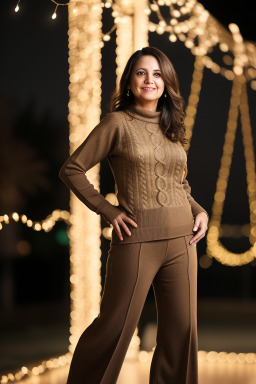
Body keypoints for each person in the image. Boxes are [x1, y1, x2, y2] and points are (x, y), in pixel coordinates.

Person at [59, 46, 209, 384]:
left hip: (184, 240)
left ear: (167, 83)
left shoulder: (172, 127)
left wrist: (199, 211)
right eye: (141, 72)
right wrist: (109, 211)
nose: (149, 80)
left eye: (157, 74)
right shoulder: (117, 123)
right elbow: (72, 169)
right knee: (114, 328)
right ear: (129, 81)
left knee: (181, 334)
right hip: (136, 240)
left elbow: (178, 185)